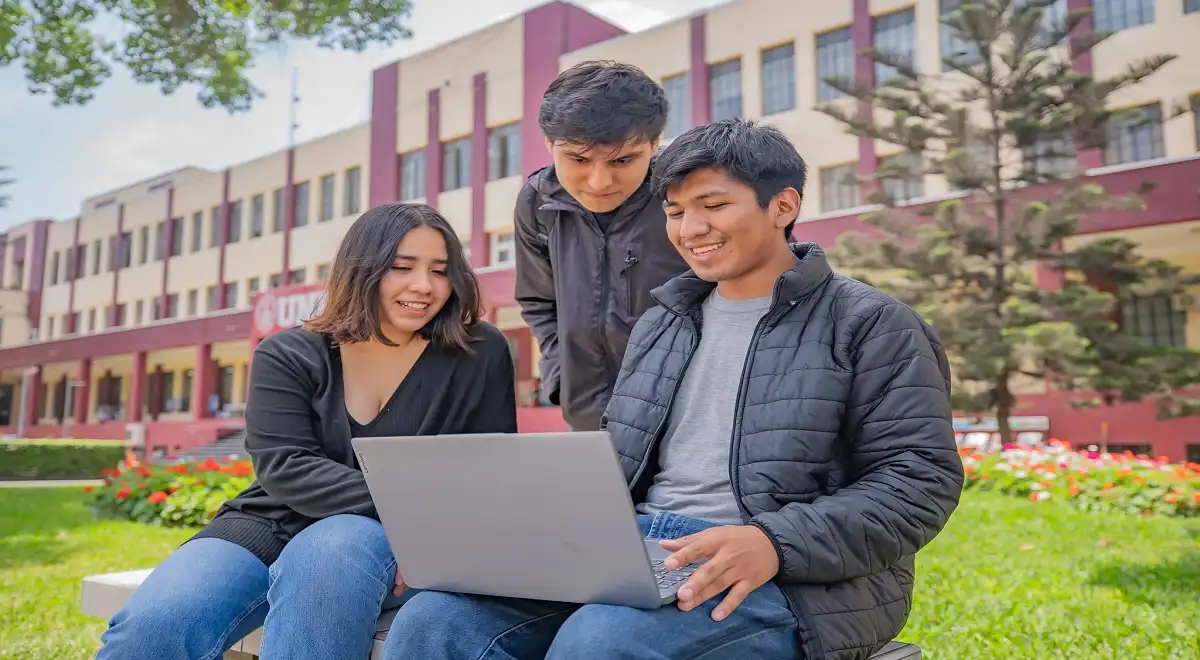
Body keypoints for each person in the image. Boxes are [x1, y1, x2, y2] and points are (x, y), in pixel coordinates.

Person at [379, 120, 964, 660]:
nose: (690, 229)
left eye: (713, 206)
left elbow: (919, 482)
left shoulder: (871, 323)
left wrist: (772, 543)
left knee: (602, 641)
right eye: (676, 210)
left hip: (783, 575)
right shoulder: (665, 320)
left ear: (783, 206)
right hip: (631, 553)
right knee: (434, 620)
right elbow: (619, 462)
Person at [96, 203, 518, 660]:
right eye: (402, 267)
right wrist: (413, 511)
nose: (424, 286)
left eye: (440, 270)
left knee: (328, 556)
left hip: (370, 540)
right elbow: (286, 467)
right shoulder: (288, 353)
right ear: (363, 269)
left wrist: (426, 540)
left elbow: (486, 468)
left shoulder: (478, 351)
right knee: (153, 627)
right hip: (268, 524)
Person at [514, 59, 690, 431]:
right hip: (588, 417)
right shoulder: (536, 202)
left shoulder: (685, 197)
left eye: (623, 160)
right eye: (577, 159)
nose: (598, 182)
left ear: (655, 144)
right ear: (549, 144)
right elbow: (539, 301)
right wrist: (561, 375)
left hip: (685, 414)